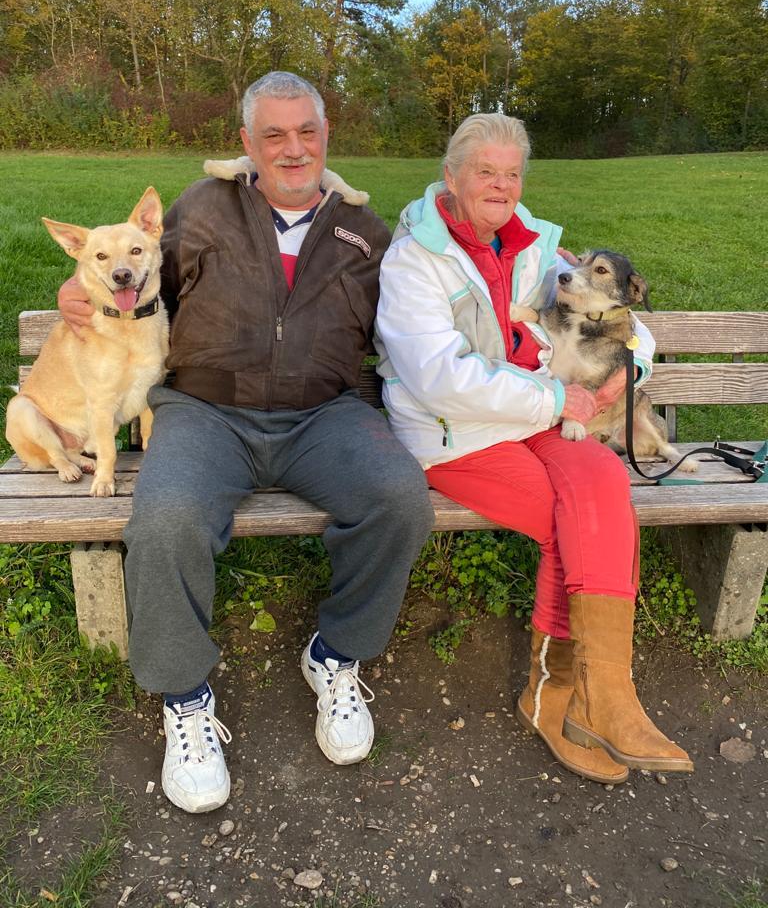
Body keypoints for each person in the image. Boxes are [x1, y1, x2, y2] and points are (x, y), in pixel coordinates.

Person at [58, 71, 435, 813]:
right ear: (247, 142)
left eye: (306, 132)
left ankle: (336, 655)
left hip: (323, 414)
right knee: (165, 519)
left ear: (326, 135)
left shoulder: (366, 232)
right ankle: (184, 698)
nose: (293, 149)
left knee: (400, 498)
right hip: (206, 411)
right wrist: (82, 292)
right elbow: (129, 271)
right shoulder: (202, 207)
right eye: (274, 134)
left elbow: (426, 307)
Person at [374, 112, 693, 785]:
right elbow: (438, 377)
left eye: (512, 173)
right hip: (454, 433)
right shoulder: (414, 259)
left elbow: (624, 325)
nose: (500, 185)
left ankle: (606, 697)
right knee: (569, 520)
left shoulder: (532, 246)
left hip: (535, 419)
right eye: (485, 171)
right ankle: (553, 701)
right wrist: (554, 400)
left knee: (603, 484)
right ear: (451, 176)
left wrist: (629, 370)